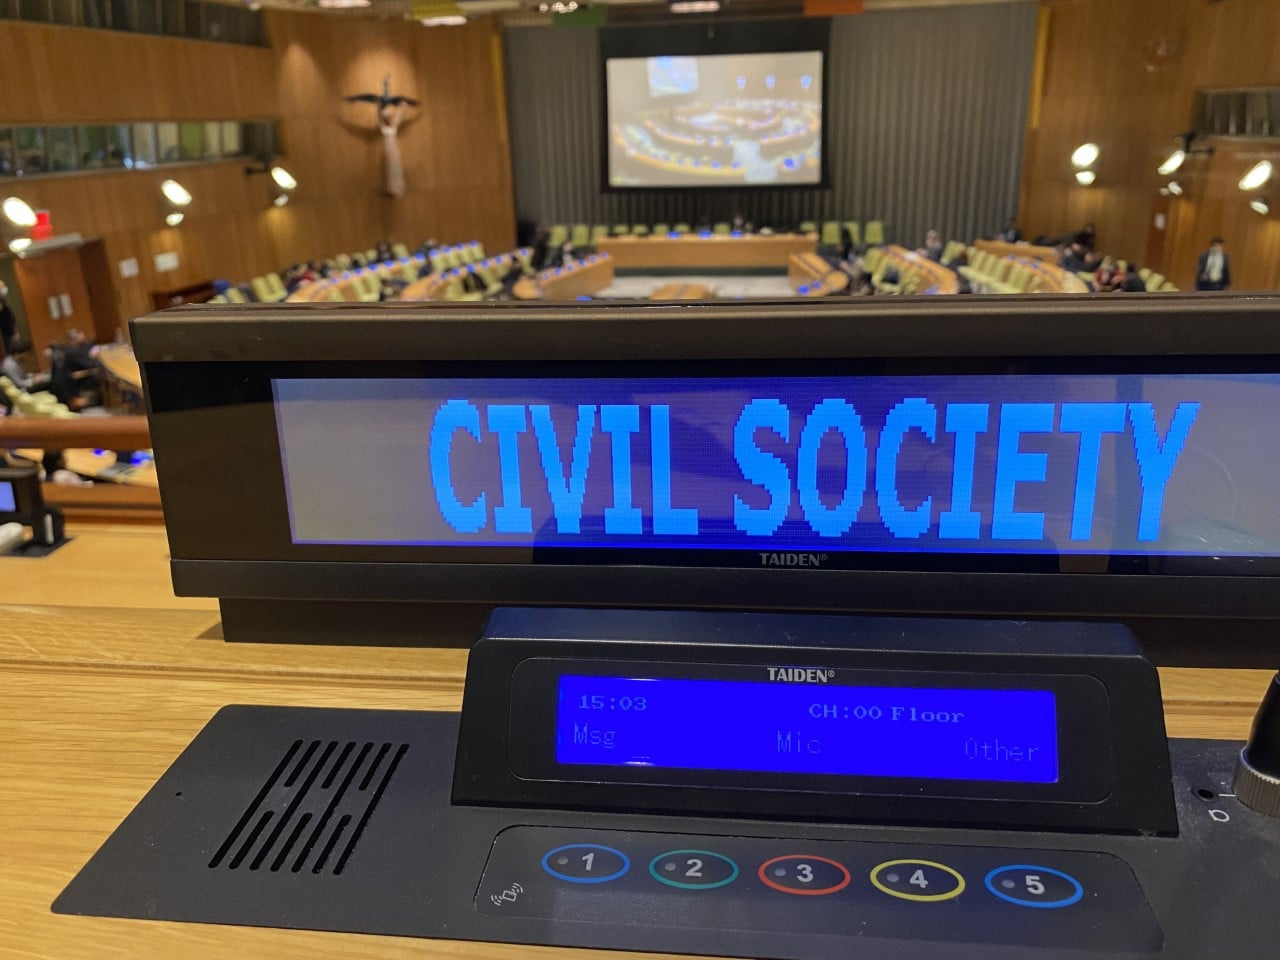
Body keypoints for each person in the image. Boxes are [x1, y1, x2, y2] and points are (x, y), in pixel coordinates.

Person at [0, 280, 16, 355]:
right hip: (4, 333)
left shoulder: (3, 299)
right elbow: (3, 318)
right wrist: (12, 331)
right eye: (2, 286)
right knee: (6, 354)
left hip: (7, 332)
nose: (5, 288)